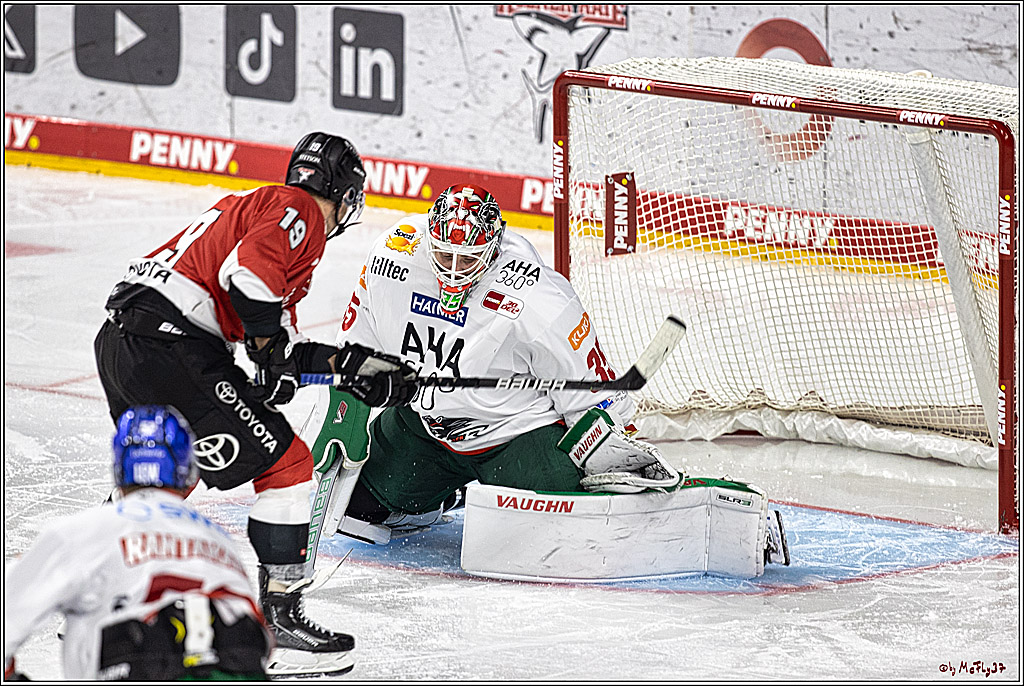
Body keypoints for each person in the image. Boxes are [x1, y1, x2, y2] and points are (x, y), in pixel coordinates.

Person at [92, 132, 418, 674]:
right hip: (175, 344)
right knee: (289, 468)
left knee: (169, 473)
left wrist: (354, 368)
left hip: (126, 339)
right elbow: (246, 279)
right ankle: (280, 622)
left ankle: (103, 598)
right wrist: (267, 357)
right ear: (342, 191)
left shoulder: (256, 209)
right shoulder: (299, 211)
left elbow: (277, 349)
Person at [299, 183, 693, 542]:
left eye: (466, 259)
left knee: (562, 532)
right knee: (357, 509)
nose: (452, 269)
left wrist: (609, 442)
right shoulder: (394, 258)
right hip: (425, 429)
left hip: (515, 436)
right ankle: (448, 494)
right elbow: (357, 343)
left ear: (491, 251)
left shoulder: (537, 295)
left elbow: (591, 388)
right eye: (443, 254)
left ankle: (510, 481)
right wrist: (345, 413)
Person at [4, 406, 273, 681]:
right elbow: (260, 638)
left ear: (120, 467)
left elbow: (8, 618)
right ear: (186, 469)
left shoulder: (85, 530)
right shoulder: (218, 538)